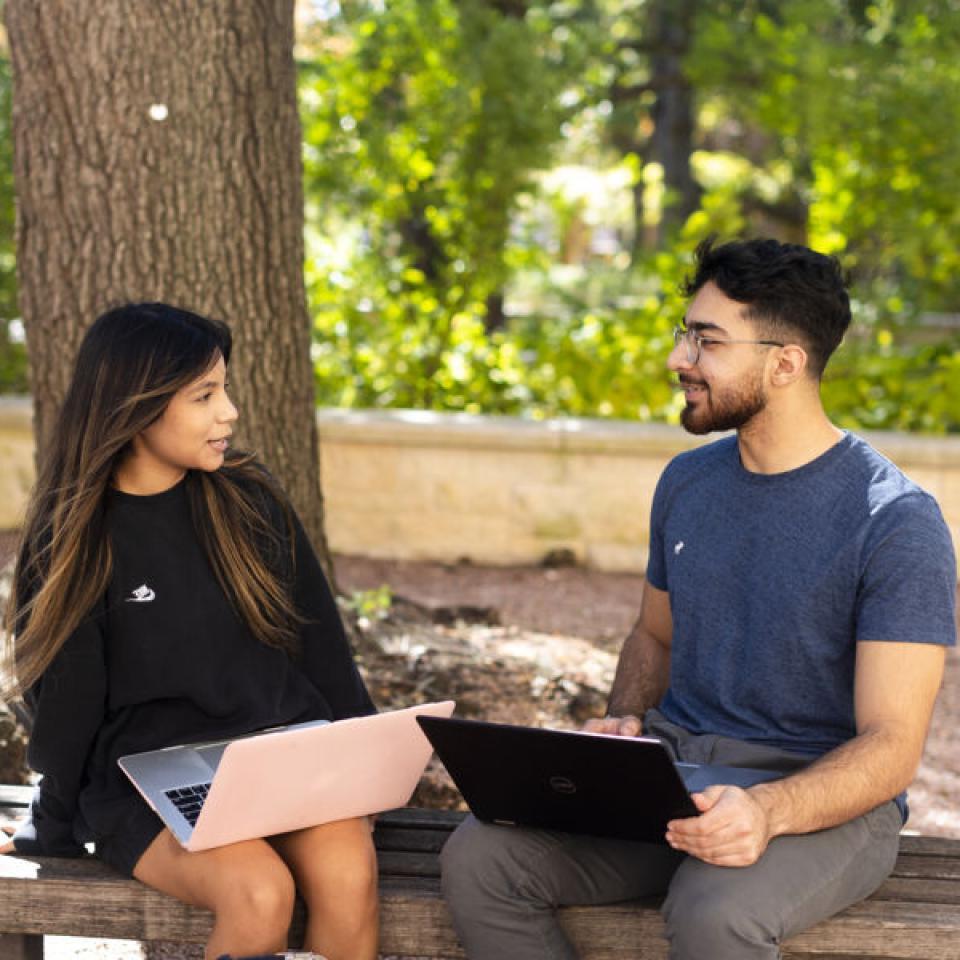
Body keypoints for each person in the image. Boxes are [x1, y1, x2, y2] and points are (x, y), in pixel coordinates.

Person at [440, 237, 957, 959]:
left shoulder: (895, 521)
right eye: (687, 333)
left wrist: (767, 812)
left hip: (824, 798)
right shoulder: (688, 483)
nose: (679, 358)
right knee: (481, 858)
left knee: (714, 909)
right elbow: (654, 638)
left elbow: (892, 749)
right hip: (676, 775)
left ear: (785, 363)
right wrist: (624, 720)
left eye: (706, 341)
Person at [0, 304, 379, 960]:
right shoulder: (74, 540)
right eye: (205, 395)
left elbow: (322, 651)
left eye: (225, 389)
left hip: (277, 759)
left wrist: (364, 767)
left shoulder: (251, 503)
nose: (228, 412)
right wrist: (50, 821)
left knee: (350, 874)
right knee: (260, 893)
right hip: (149, 785)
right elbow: (67, 708)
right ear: (135, 406)